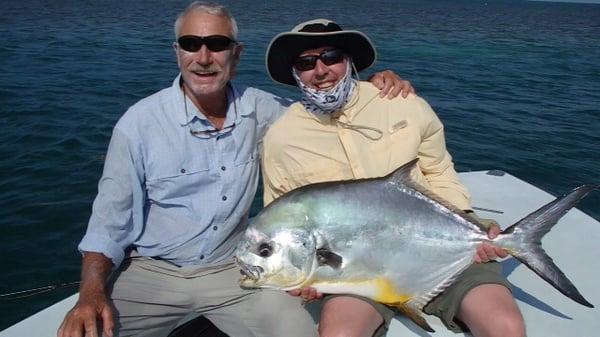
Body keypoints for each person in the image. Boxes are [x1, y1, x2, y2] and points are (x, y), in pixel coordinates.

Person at [57, 3, 415, 337]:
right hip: (151, 272)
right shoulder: (138, 124)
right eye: (191, 44)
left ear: (236, 54)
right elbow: (108, 224)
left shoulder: (264, 110)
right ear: (177, 52)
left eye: (217, 44)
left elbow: (323, 111)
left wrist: (373, 85)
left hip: (234, 271)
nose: (203, 58)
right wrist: (89, 294)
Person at [261, 19, 526, 337]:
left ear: (348, 61)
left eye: (331, 56)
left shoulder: (402, 102)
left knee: (505, 327)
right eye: (306, 62)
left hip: (442, 253)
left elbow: (439, 172)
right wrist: (296, 276)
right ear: (295, 72)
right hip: (356, 273)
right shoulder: (282, 138)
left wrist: (471, 228)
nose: (321, 70)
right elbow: (283, 221)